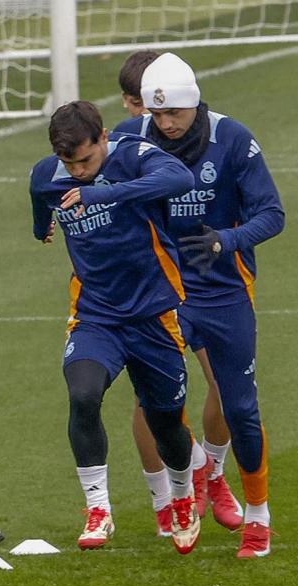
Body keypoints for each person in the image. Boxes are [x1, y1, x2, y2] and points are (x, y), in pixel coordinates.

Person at [120, 53, 285, 558]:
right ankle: (191, 476)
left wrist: (226, 240)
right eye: (158, 114)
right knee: (156, 402)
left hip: (224, 290)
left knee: (239, 404)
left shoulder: (232, 138)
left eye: (177, 114)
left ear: (196, 105)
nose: (167, 124)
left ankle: (257, 517)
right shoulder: (129, 140)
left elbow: (272, 213)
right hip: (160, 292)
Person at [28, 102, 201, 554]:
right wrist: (41, 225)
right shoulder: (48, 175)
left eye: (86, 160)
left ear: (104, 137)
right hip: (96, 315)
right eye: (70, 164)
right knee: (83, 394)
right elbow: (39, 201)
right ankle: (98, 508)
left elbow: (180, 178)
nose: (79, 172)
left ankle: (183, 496)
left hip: (154, 315)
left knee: (166, 425)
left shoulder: (134, 156)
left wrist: (105, 194)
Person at [114, 52, 239, 539]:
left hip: (208, 286)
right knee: (153, 400)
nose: (150, 118)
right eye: (141, 105)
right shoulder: (119, 147)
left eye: (161, 108)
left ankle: (213, 472)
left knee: (225, 388)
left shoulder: (211, 140)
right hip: (149, 291)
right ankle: (165, 500)